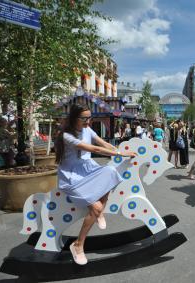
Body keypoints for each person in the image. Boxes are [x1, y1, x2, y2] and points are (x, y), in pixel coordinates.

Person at [55, 104, 137, 265]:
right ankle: (78, 244)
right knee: (97, 207)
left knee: (111, 172)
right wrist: (120, 153)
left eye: (89, 117)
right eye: (84, 118)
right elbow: (94, 148)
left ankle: (98, 212)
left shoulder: (88, 130)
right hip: (73, 176)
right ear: (74, 118)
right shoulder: (66, 136)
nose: (88, 121)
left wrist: (120, 150)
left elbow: (103, 144)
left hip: (88, 169)